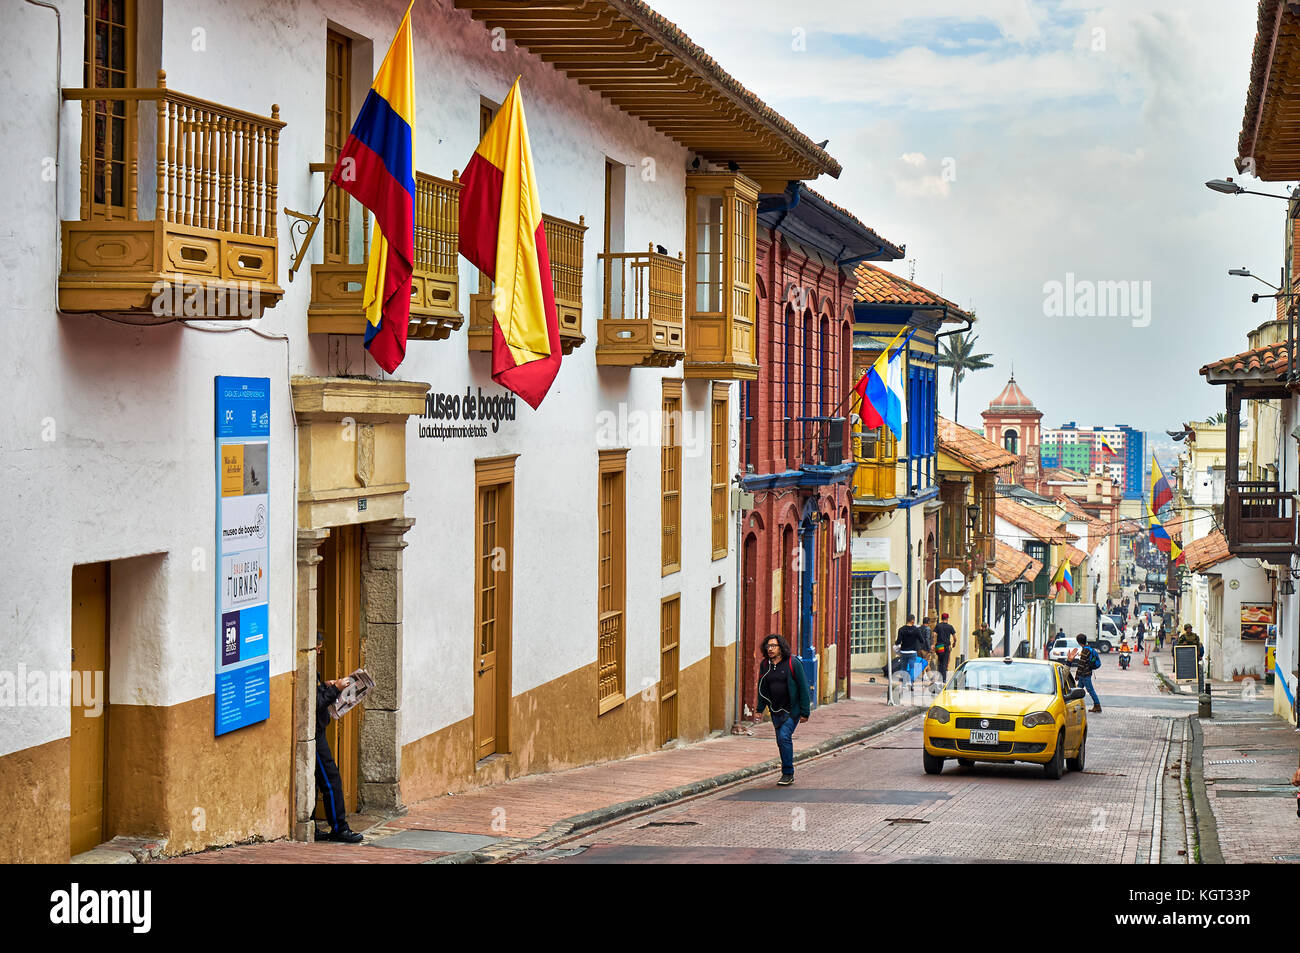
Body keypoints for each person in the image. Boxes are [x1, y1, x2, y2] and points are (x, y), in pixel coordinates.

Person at [315, 634, 363, 843]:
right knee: (330, 778)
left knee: (318, 779)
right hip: (314, 734)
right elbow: (315, 703)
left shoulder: (312, 670)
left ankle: (315, 825)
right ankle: (339, 827)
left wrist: (326, 686)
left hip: (318, 730)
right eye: (317, 647)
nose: (318, 651)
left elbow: (316, 695)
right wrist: (336, 689)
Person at [755, 634, 811, 786]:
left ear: (781, 648)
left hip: (791, 710)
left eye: (774, 646)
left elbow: (803, 687)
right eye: (768, 646)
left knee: (784, 737)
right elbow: (762, 688)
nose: (770, 649)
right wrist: (760, 709)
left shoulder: (793, 663)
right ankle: (787, 771)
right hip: (775, 710)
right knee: (781, 741)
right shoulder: (765, 665)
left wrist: (805, 712)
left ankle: (788, 773)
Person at [1067, 633, 1102, 713]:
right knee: (1077, 690)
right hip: (1085, 674)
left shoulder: (1085, 650)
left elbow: (1081, 664)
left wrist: (1077, 676)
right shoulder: (1088, 648)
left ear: (1078, 642)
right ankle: (1075, 705)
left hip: (1085, 675)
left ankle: (1097, 705)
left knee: (1090, 690)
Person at [932, 613, 956, 680]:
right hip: (946, 646)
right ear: (947, 619)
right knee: (945, 663)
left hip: (939, 646)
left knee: (940, 661)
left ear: (941, 618)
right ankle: (944, 679)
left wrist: (934, 644)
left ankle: (940, 677)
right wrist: (954, 643)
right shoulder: (950, 627)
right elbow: (955, 637)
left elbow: (934, 634)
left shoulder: (938, 626)